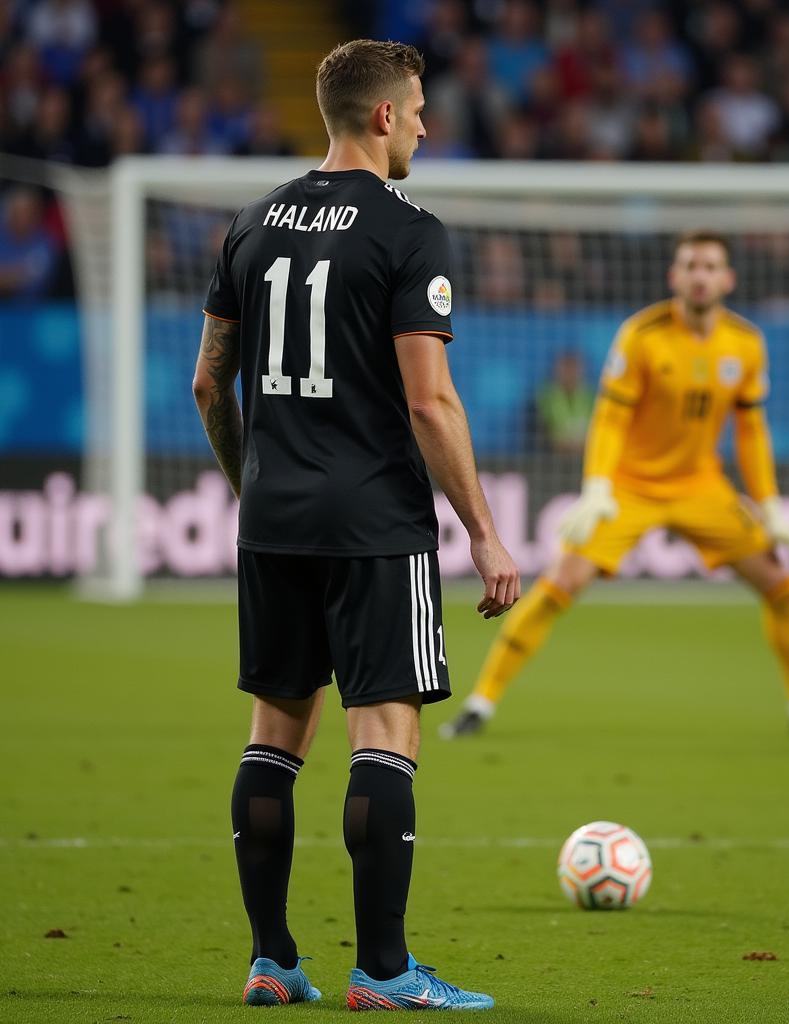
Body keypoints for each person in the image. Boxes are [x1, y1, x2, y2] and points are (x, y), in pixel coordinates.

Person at [193, 39, 519, 1011]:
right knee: (384, 736)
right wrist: (485, 531)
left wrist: (246, 484)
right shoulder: (409, 231)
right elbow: (430, 404)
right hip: (374, 518)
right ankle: (382, 970)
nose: (425, 123)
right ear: (382, 116)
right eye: (417, 108)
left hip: (274, 516)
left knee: (273, 736)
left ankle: (270, 957)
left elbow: (213, 378)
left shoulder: (249, 225)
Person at [441, 231, 789, 741]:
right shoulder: (643, 335)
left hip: (701, 487)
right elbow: (610, 420)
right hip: (631, 489)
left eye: (710, 266)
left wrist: (770, 507)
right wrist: (597, 488)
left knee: (779, 583)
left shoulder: (746, 344)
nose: (700, 275)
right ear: (674, 277)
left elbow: (750, 431)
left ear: (727, 279)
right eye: (690, 265)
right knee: (559, 585)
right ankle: (480, 704)